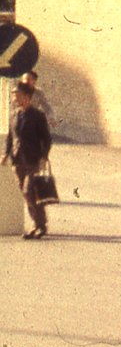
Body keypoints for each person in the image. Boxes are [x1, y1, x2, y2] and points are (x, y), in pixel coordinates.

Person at [5, 79, 53, 239]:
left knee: (28, 191)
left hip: (33, 159)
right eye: (13, 96)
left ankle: (38, 225)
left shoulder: (37, 116)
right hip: (17, 159)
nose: (14, 99)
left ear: (27, 97)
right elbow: (11, 137)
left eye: (17, 95)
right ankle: (38, 224)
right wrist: (6, 154)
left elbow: (47, 138)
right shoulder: (14, 114)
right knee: (27, 193)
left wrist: (44, 156)